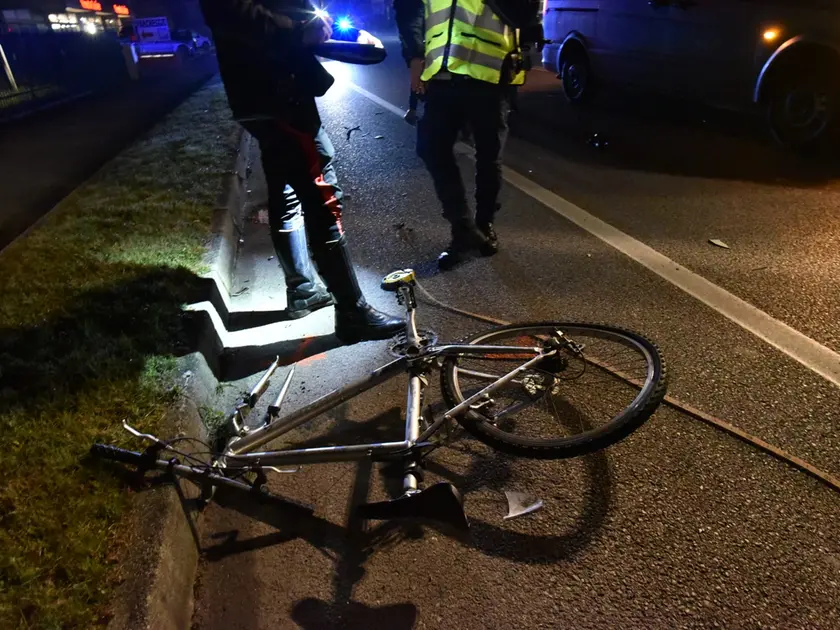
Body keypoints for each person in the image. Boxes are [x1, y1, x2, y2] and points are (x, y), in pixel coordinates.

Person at [199, 0, 404, 343]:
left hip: (261, 97)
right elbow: (234, 14)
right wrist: (297, 29)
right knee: (322, 195)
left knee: (285, 191)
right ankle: (352, 312)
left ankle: (303, 291)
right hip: (279, 95)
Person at [394, 0, 540, 270]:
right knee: (430, 147)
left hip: (491, 72)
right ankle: (463, 229)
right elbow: (409, 8)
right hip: (441, 71)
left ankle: (484, 226)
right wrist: (414, 55)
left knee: (488, 155)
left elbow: (526, 12)